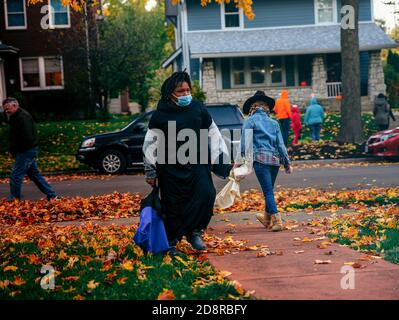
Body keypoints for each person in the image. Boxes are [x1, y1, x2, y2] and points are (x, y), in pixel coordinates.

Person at [142, 71, 227, 254]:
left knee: (206, 194)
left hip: (198, 165)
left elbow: (213, 132)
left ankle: (195, 232)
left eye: (188, 90)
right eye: (181, 91)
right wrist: (150, 171)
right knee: (173, 206)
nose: (186, 94)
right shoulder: (160, 114)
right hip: (170, 169)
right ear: (170, 93)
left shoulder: (198, 109)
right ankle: (171, 242)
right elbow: (150, 142)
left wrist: (220, 159)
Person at [236, 91, 292, 232]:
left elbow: (244, 144)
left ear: (252, 107)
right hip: (274, 161)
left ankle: (277, 220)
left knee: (267, 191)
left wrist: (238, 162)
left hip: (260, 161)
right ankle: (267, 219)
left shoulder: (249, 121)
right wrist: (287, 163)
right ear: (266, 107)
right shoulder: (274, 123)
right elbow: (281, 145)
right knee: (269, 190)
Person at [3, 97, 57, 201]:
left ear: (15, 106)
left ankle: (14, 199)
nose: (6, 111)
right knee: (35, 175)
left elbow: (26, 138)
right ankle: (52, 195)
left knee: (16, 175)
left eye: (7, 108)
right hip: (27, 150)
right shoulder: (15, 116)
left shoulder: (23, 117)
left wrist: (16, 150)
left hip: (25, 151)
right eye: (5, 109)